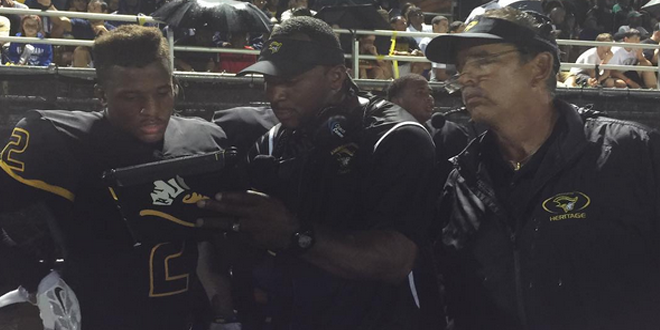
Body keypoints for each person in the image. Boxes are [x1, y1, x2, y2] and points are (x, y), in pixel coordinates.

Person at [197, 16, 441, 330]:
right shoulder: (271, 144)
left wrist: (294, 234)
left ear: (336, 77)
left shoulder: (397, 137)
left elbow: (395, 260)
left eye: (289, 81)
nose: (275, 95)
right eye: (269, 81)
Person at [426, 7, 660, 330]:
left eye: (482, 61)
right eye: (461, 67)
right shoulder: (461, 182)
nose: (466, 77)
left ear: (540, 67)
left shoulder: (631, 152)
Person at [0, 25, 228, 330]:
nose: (152, 110)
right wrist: (35, 278)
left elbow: (215, 240)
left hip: (185, 318)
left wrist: (224, 311)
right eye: (131, 97)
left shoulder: (204, 139)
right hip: (96, 317)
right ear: (101, 95)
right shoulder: (60, 141)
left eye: (162, 92)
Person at [38, 0, 117, 67]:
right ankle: (80, 82)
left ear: (104, 12)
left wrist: (107, 34)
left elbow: (119, 47)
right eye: (88, 9)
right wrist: (49, 5)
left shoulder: (111, 29)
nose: (90, 11)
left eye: (94, 8)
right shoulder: (82, 25)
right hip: (88, 62)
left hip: (107, 64)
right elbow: (61, 21)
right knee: (80, 51)